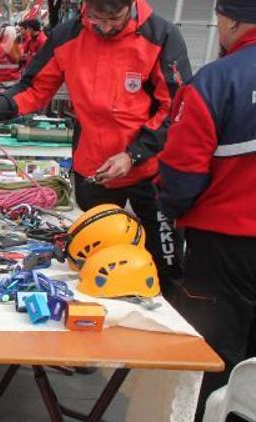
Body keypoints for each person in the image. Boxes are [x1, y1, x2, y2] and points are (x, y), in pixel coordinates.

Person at [0, 0, 191, 296]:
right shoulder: (67, 35)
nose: (105, 26)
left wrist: (133, 155)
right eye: (97, 18)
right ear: (85, 6)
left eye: (114, 18)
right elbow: (34, 87)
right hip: (94, 169)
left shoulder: (161, 36)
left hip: (151, 170)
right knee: (91, 260)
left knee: (166, 265)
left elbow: (177, 109)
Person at [157, 0, 256, 417]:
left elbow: (180, 177)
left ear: (230, 19)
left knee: (210, 358)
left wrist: (169, 207)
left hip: (223, 246)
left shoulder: (215, 81)